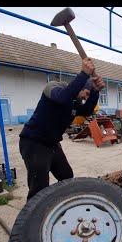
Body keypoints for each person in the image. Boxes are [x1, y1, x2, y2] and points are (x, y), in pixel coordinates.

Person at [19, 57, 105, 201]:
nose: (85, 96)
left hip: (52, 144)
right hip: (34, 142)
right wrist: (84, 74)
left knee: (66, 175)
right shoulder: (53, 87)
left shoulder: (73, 103)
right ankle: (33, 220)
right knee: (39, 188)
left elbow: (87, 110)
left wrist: (95, 92)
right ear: (79, 87)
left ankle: (62, 205)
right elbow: (62, 98)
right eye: (86, 92)